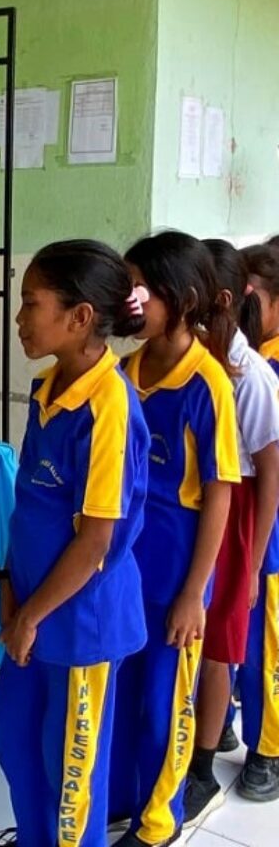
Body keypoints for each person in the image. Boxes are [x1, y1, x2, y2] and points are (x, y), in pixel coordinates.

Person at [0, 240, 149, 847]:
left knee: (72, 771)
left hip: (79, 619)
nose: (21, 317)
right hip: (33, 606)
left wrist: (31, 614)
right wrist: (10, 587)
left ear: (80, 316)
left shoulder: (109, 406)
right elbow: (32, 506)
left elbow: (96, 542)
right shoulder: (49, 388)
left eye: (32, 303)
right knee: (11, 732)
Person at [109, 231, 240, 847]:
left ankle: (159, 821)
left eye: (138, 289)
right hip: (124, 566)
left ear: (181, 300)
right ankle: (121, 799)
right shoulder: (125, 371)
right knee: (123, 689)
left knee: (164, 701)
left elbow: (220, 493)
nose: (126, 302)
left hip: (175, 570)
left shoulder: (207, 384)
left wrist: (195, 593)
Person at [182, 240, 279, 825]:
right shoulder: (195, 362)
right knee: (193, 636)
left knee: (221, 646)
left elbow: (269, 474)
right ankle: (191, 736)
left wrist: (256, 555)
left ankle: (202, 767)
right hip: (195, 512)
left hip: (238, 516)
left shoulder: (250, 379)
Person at [234, 243, 279, 801]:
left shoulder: (266, 367)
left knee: (267, 634)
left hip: (270, 518)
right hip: (246, 510)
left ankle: (267, 747)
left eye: (248, 301)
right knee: (242, 625)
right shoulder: (253, 353)